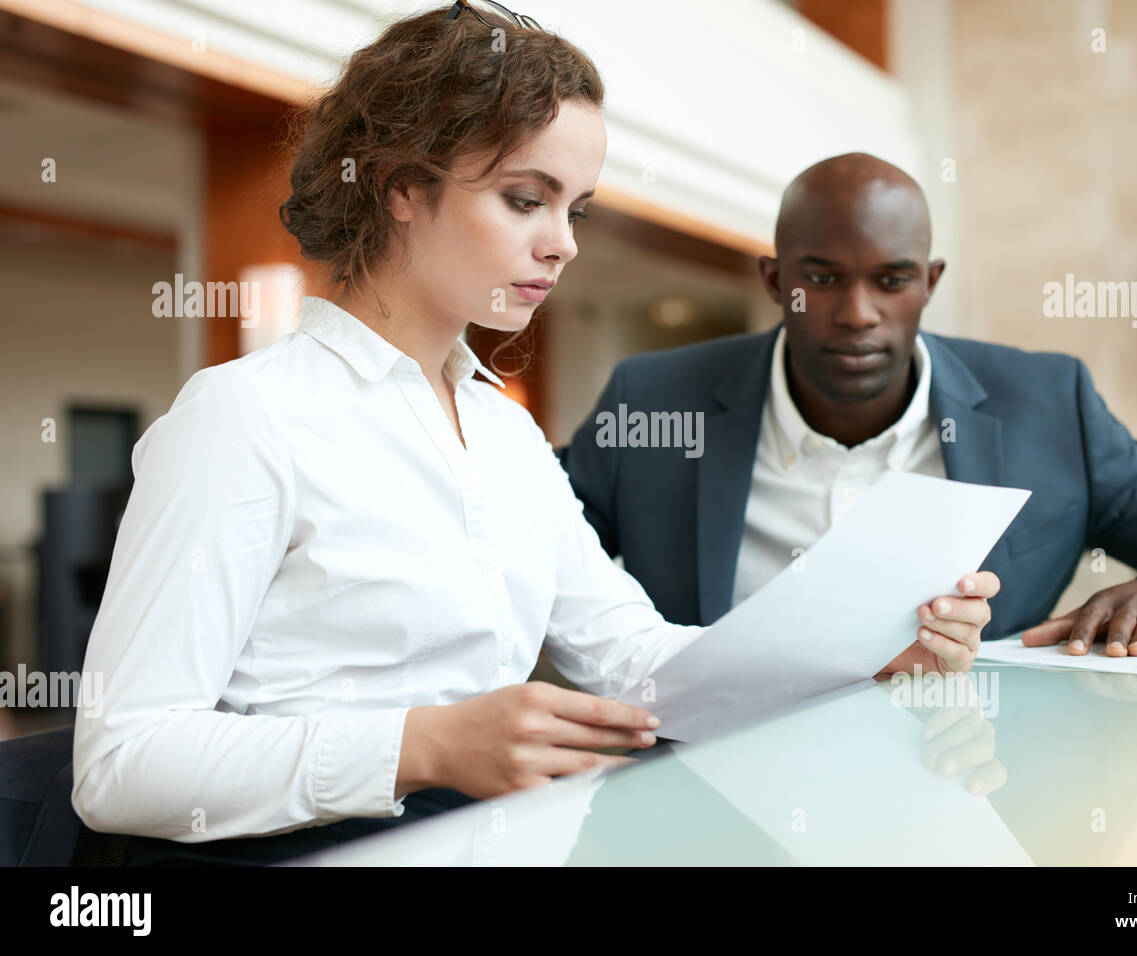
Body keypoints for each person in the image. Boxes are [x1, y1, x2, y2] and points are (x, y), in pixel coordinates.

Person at [70, 8, 996, 865]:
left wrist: (858, 652)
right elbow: (122, 762)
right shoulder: (244, 419)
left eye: (576, 209)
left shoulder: (506, 438)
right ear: (400, 186)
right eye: (526, 199)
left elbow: (636, 660)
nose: (564, 243)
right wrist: (421, 746)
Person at [560, 152, 1137, 666]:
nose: (858, 313)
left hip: (968, 789)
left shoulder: (1048, 406)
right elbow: (523, 549)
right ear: (773, 278)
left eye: (891, 280)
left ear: (930, 282)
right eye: (821, 278)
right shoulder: (652, 403)